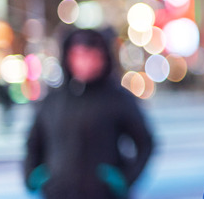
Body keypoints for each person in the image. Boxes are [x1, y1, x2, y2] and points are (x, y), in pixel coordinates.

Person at [24, 28, 155, 199]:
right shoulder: (53, 100)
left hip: (103, 195)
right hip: (58, 193)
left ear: (103, 57)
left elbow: (145, 143)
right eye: (77, 54)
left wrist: (124, 179)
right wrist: (34, 176)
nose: (83, 61)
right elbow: (34, 142)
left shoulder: (117, 99)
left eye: (90, 54)